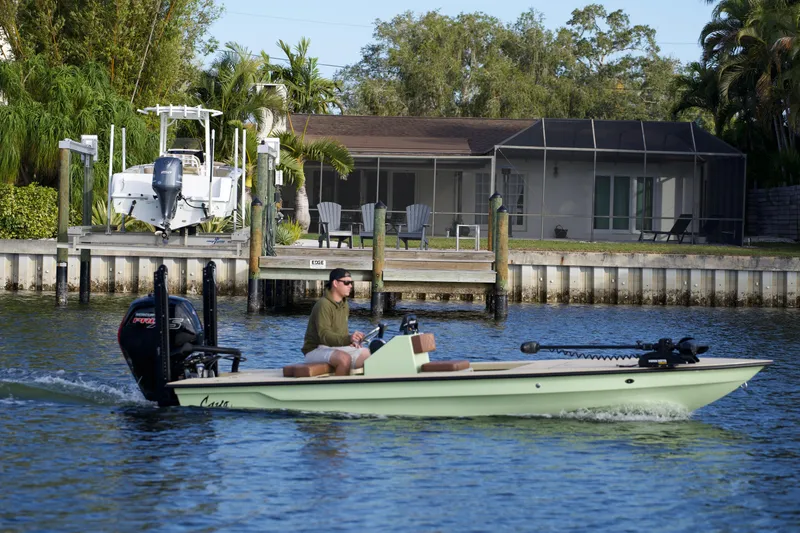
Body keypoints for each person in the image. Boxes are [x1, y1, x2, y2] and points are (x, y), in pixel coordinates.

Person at [302, 268, 371, 376]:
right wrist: (348, 339)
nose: (350, 286)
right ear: (335, 283)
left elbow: (342, 334)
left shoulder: (344, 305)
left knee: (366, 354)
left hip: (333, 347)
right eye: (346, 283)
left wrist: (352, 342)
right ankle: (338, 390)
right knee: (343, 359)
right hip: (315, 349)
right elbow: (324, 335)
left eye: (351, 283)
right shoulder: (323, 304)